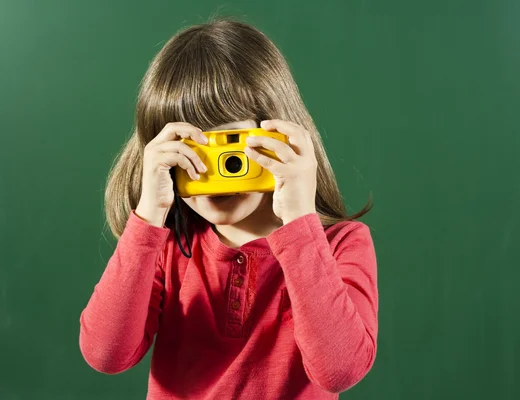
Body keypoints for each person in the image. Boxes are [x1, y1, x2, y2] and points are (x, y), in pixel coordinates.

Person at [79, 18, 378, 400]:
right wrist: (148, 217)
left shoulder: (340, 245)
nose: (212, 173)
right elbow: (106, 354)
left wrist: (299, 221)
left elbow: (339, 370)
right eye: (190, 153)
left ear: (280, 134)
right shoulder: (167, 246)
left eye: (229, 148)